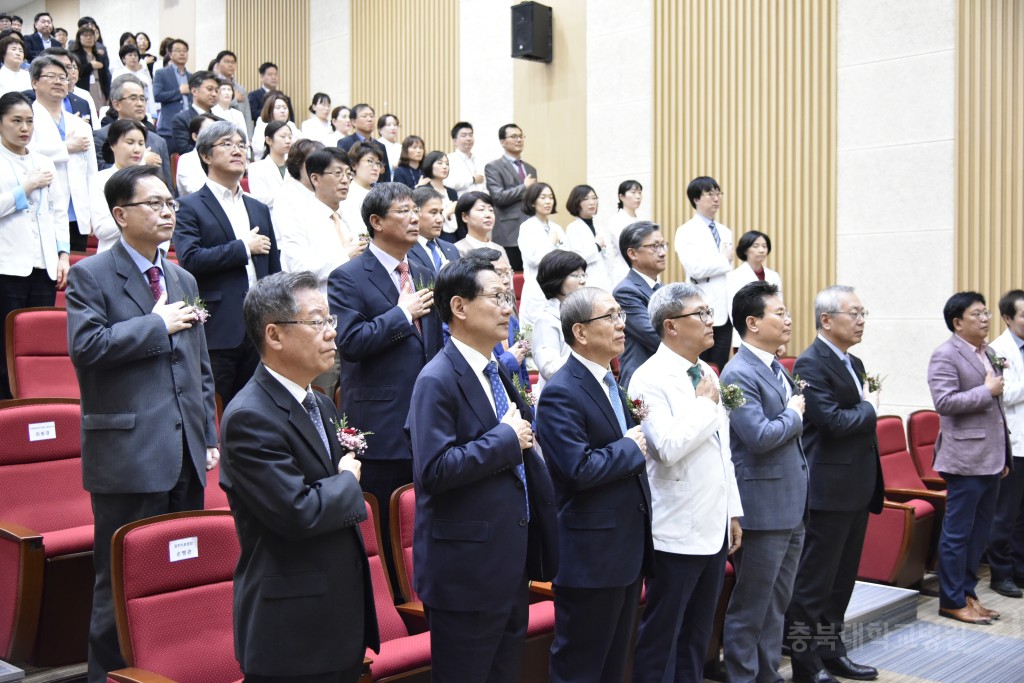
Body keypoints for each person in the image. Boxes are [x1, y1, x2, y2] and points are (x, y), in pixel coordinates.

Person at [66, 165, 218, 683]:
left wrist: (208, 436)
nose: (167, 211)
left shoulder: (182, 277)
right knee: (120, 581)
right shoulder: (92, 274)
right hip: (129, 454)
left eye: (170, 203)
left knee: (184, 576)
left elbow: (199, 367)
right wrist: (156, 324)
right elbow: (86, 348)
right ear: (120, 214)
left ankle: (174, 669)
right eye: (153, 203)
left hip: (185, 454)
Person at [220, 270, 379, 683]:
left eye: (331, 322)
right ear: (274, 335)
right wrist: (347, 480)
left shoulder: (320, 403)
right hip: (291, 631)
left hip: (335, 621)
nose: (331, 333)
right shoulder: (249, 416)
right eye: (317, 322)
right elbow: (297, 512)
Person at [407, 256, 557, 683]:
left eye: (509, 297)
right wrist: (506, 440)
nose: (508, 307)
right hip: (466, 573)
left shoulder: (495, 372)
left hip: (508, 564)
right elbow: (434, 470)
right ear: (459, 306)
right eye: (497, 297)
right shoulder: (436, 379)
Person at [327, 182, 444, 584]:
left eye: (417, 210)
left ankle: (424, 594)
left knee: (424, 523)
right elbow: (351, 343)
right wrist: (400, 313)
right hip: (380, 423)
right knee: (385, 531)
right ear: (376, 222)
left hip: (428, 421)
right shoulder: (347, 277)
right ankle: (393, 604)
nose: (415, 218)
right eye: (404, 211)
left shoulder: (426, 271)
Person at [535, 286, 652, 683]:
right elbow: (577, 468)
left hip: (624, 548)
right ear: (581, 332)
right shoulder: (561, 392)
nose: (623, 324)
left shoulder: (610, 383)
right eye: (612, 317)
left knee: (613, 665)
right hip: (590, 555)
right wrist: (630, 447)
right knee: (580, 667)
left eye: (622, 315)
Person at [629, 283, 743, 683]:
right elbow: (667, 448)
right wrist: (703, 405)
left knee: (698, 636)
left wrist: (733, 512)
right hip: (674, 529)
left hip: (713, 524)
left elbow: (722, 450)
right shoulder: (647, 379)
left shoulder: (707, 371)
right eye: (702, 314)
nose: (712, 322)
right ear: (671, 325)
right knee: (662, 636)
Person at [784, 285, 882, 683]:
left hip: (857, 487)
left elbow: (849, 418)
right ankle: (805, 665)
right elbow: (833, 422)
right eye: (853, 313)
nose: (861, 320)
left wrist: (860, 410)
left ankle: (832, 650)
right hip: (827, 491)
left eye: (863, 313)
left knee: (841, 583)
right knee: (813, 586)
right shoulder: (810, 364)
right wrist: (871, 409)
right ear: (826, 320)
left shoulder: (853, 363)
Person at [719, 280, 807, 683]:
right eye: (780, 313)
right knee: (751, 606)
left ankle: (767, 674)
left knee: (776, 604)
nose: (788, 320)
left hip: (789, 504)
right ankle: (742, 675)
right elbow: (757, 436)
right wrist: (793, 414)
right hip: (761, 509)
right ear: (752, 323)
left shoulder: (774, 366)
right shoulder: (737, 374)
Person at [174, 120, 282, 406]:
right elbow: (190, 260)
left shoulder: (258, 208)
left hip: (260, 328)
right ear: (206, 156)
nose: (237, 151)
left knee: (257, 407)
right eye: (227, 144)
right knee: (215, 408)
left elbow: (273, 269)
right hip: (219, 328)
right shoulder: (189, 206)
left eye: (241, 145)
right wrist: (242, 248)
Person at [928, 292, 1011, 624]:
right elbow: (944, 402)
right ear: (958, 322)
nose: (985, 318)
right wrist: (985, 391)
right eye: (977, 314)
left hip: (991, 457)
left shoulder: (988, 352)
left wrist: (1004, 454)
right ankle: (950, 599)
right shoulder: (945, 355)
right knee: (958, 533)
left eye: (986, 312)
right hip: (964, 458)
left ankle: (968, 594)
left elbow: (998, 412)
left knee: (979, 533)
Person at [279, 147, 366, 399]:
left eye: (348, 173)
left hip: (355, 323)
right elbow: (297, 270)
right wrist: (344, 255)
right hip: (320, 326)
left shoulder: (351, 216)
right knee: (322, 396)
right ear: (315, 178)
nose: (344, 180)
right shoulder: (298, 216)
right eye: (336, 173)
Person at [0, 91, 69, 398]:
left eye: (29, 121)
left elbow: (57, 212)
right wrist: (25, 188)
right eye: (16, 121)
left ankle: (36, 404)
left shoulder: (43, 161)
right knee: (6, 346)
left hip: (43, 265)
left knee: (38, 342)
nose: (24, 127)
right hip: (7, 264)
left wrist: (63, 254)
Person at [29, 55, 97, 252]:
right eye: (51, 76)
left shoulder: (79, 124)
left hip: (77, 213)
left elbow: (91, 173)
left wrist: (91, 213)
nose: (59, 81)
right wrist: (65, 147)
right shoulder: (27, 119)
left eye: (63, 77)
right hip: (42, 209)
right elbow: (27, 155)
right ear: (34, 82)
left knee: (76, 274)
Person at [675, 176, 735, 372]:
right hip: (700, 305)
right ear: (696, 199)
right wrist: (724, 260)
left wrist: (722, 263)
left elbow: (725, 271)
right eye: (710, 194)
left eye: (718, 193)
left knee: (720, 367)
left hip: (725, 310)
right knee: (700, 365)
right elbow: (696, 269)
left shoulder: (725, 231)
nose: (716, 198)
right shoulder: (686, 231)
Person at [988, 289, 1024, 598]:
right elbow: (1003, 393)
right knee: (1005, 513)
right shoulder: (997, 349)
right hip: (1014, 443)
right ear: (1008, 318)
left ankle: (1020, 570)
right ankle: (1000, 574)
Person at [465, 246, 531, 392]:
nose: (506, 280)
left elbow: (522, 370)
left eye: (508, 273)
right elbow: (473, 374)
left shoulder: (511, 318)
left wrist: (528, 402)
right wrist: (509, 360)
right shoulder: (469, 324)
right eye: (499, 274)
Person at [612, 220, 666, 389]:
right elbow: (654, 336)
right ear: (633, 253)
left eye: (663, 245)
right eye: (654, 246)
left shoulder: (664, 289)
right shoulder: (625, 291)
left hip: (664, 374)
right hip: (642, 379)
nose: (662, 252)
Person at [93, 74, 171, 185]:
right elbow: (101, 170)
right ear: (116, 104)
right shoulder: (101, 135)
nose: (140, 103)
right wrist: (142, 162)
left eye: (142, 99)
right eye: (133, 98)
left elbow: (167, 183)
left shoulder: (158, 140)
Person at [530, 250, 587, 397]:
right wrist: (588, 361)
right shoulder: (546, 320)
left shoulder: (581, 313)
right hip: (560, 397)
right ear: (556, 280)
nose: (582, 280)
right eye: (575, 275)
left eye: (583, 275)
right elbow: (550, 368)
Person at [484, 123, 537, 270]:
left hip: (531, 231)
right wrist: (524, 187)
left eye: (521, 136)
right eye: (513, 136)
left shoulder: (531, 169)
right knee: (510, 277)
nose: (518, 140)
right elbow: (498, 197)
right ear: (502, 141)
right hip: (509, 233)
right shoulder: (493, 167)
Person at [90, 118, 147, 252]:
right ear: (112, 144)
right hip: (111, 256)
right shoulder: (100, 180)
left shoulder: (151, 179)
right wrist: (139, 217)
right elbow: (102, 229)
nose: (137, 149)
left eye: (141, 143)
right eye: (130, 142)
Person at [517, 182, 564, 328]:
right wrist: (551, 243)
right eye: (543, 197)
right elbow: (534, 258)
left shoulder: (557, 228)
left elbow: (567, 258)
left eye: (550, 197)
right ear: (532, 202)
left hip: (558, 287)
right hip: (536, 288)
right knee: (534, 334)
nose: (548, 201)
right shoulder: (527, 227)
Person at [727, 230, 783, 348]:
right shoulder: (734, 276)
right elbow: (733, 309)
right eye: (756, 246)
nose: (761, 250)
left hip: (771, 334)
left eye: (764, 246)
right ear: (745, 249)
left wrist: (780, 335)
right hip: (746, 335)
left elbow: (780, 307)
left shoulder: (773, 276)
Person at [563, 184, 612, 292]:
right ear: (577, 202)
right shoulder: (573, 228)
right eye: (586, 199)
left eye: (594, 198)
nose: (592, 202)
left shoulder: (599, 227)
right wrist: (597, 246)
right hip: (587, 282)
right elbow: (578, 258)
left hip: (605, 281)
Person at [408, 186, 460, 275]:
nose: (440, 219)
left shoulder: (452, 248)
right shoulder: (404, 249)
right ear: (415, 212)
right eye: (433, 212)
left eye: (441, 212)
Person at [337, 103, 392, 182]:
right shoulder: (345, 143)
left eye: (371, 116)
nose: (369, 119)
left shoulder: (381, 146)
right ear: (353, 122)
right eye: (364, 116)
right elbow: (342, 169)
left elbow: (386, 175)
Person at [339, 142, 382, 240]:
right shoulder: (347, 193)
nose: (375, 167)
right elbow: (357, 232)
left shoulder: (379, 193)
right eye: (370, 161)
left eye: (378, 163)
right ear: (354, 165)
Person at [169, 70, 218, 155]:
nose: (214, 94)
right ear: (194, 91)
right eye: (210, 89)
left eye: (217, 91)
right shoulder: (181, 119)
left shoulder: (220, 121)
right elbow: (184, 149)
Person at [246, 120, 291, 209]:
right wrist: (290, 197)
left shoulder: (295, 166)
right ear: (268, 140)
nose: (288, 141)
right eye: (283, 136)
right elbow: (260, 199)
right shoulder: (256, 168)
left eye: (290, 137)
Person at [152, 39, 190, 138]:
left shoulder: (192, 76)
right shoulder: (161, 73)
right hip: (168, 128)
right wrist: (179, 92)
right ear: (170, 54)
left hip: (189, 128)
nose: (182, 53)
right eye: (178, 50)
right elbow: (157, 96)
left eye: (185, 50)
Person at [174, 112, 218, 197]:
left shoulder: (223, 157)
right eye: (208, 131)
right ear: (195, 136)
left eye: (216, 132)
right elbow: (194, 191)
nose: (214, 136)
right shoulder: (186, 160)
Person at [209, 50, 251, 137]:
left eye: (233, 62)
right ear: (217, 64)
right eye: (226, 61)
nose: (230, 65)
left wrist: (249, 136)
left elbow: (247, 113)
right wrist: (234, 99)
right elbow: (212, 106)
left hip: (239, 129)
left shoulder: (240, 89)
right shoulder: (213, 85)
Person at [453, 190, 505, 259]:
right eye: (481, 209)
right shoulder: (457, 249)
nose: (488, 215)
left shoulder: (499, 249)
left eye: (491, 210)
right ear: (465, 217)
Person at [420, 150, 459, 241]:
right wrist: (447, 212)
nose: (445, 167)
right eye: (440, 163)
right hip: (434, 238)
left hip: (455, 237)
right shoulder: (424, 191)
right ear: (429, 166)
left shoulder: (452, 192)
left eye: (447, 164)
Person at [109, 44, 155, 119]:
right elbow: (114, 94)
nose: (133, 57)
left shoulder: (144, 76)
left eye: (135, 55)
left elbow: (150, 96)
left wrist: (153, 114)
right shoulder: (118, 73)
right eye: (130, 55)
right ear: (123, 59)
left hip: (144, 112)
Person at [252, 91, 301, 160]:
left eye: (285, 108)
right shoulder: (262, 124)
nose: (282, 111)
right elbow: (258, 148)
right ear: (269, 110)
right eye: (278, 108)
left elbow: (300, 145)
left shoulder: (291, 125)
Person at [70, 25, 109, 107]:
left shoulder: (99, 55)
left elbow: (106, 77)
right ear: (79, 38)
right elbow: (75, 72)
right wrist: (90, 66)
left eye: (91, 35)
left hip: (99, 88)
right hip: (83, 87)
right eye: (85, 35)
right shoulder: (74, 55)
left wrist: (108, 95)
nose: (88, 38)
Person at [445, 121, 486, 197]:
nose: (468, 138)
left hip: (481, 203)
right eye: (464, 135)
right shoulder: (449, 159)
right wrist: (472, 180)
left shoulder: (479, 160)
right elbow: (448, 184)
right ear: (455, 141)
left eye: (471, 135)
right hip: (460, 204)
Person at [210, 78, 248, 146]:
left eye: (229, 90)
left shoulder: (238, 114)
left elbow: (244, 134)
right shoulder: (212, 112)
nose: (227, 93)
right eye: (223, 89)